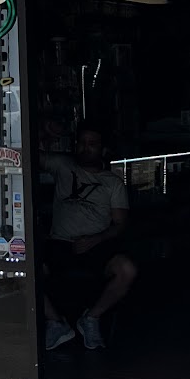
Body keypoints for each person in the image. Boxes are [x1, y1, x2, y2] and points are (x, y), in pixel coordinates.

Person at [42, 124, 137, 352]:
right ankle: (55, 323)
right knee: (22, 269)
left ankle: (91, 318)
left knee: (127, 270)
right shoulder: (63, 166)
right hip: (59, 243)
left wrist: (95, 240)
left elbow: (120, 224)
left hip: (97, 245)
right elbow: (26, 155)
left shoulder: (113, 183)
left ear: (103, 149)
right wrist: (47, 132)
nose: (86, 148)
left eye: (92, 144)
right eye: (82, 143)